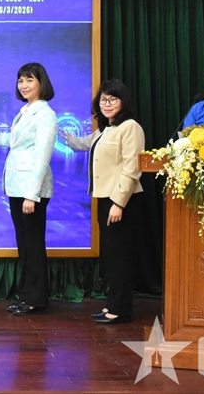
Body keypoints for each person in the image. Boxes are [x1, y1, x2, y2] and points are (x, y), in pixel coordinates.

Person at [0, 62, 57, 316]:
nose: (24, 85)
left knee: (33, 245)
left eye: (29, 80)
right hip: (17, 188)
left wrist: (32, 195)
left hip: (30, 191)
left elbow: (42, 157)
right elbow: (11, 141)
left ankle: (36, 298)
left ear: (41, 83)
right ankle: (27, 296)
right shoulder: (25, 112)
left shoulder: (45, 115)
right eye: (20, 81)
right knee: (24, 245)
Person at [62, 79, 145, 324]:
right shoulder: (106, 129)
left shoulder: (130, 127)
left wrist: (119, 203)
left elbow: (132, 168)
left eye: (112, 99)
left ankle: (120, 309)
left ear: (123, 102)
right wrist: (70, 140)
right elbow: (87, 144)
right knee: (111, 255)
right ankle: (112, 305)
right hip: (104, 197)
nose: (107, 104)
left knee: (120, 256)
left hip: (122, 200)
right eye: (103, 100)